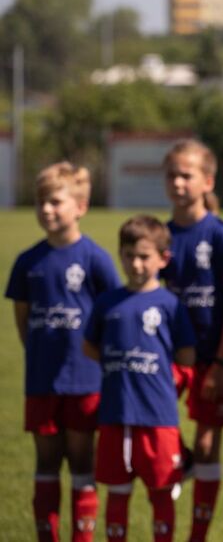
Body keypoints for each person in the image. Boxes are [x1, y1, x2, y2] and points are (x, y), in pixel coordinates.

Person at [5, 162, 120, 541]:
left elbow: (112, 314)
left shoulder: (95, 258)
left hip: (85, 380)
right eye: (40, 201)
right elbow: (23, 320)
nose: (46, 209)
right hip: (41, 380)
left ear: (81, 207)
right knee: (46, 461)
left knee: (82, 460)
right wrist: (40, 354)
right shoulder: (28, 262)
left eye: (55, 201)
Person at [82, 215, 196, 541]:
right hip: (115, 415)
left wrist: (162, 380)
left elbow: (186, 356)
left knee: (161, 492)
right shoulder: (107, 303)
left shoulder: (170, 305)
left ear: (163, 258)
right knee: (117, 493)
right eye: (129, 255)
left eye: (144, 256)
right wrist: (120, 363)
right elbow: (89, 346)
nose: (135, 264)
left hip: (158, 418)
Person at [160, 139, 223, 541]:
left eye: (186, 175)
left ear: (207, 181)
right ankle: (184, 459)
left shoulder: (221, 236)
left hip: (213, 355)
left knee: (209, 443)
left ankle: (198, 534)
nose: (178, 183)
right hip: (168, 356)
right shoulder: (159, 236)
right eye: (171, 175)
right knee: (154, 427)